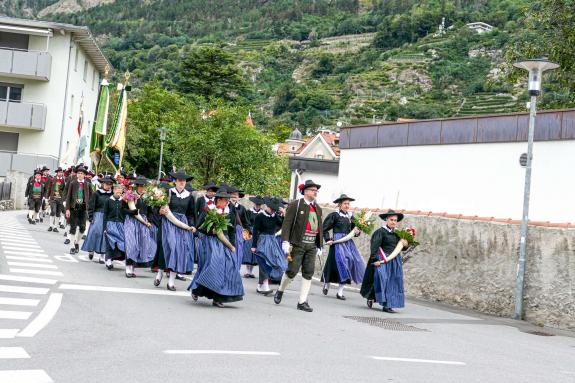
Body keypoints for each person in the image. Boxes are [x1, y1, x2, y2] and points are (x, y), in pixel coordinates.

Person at [274, 180, 323, 312]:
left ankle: (302, 301)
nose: (315, 192)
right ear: (306, 191)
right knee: (292, 271)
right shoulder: (296, 205)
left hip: (312, 245)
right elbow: (287, 224)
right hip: (298, 243)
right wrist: (285, 241)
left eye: (316, 190)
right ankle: (280, 290)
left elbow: (320, 227)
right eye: (313, 190)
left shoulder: (317, 208)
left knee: (309, 272)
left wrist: (320, 245)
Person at [189, 188, 243, 308]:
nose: (227, 202)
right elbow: (199, 226)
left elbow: (232, 230)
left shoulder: (231, 210)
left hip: (225, 242)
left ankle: (219, 297)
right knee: (212, 267)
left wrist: (232, 244)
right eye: (224, 200)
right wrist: (209, 233)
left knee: (228, 268)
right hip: (210, 242)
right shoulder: (209, 210)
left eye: (227, 200)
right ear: (218, 200)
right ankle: (197, 289)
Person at [360, 210, 409, 313]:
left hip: (394, 260)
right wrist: (375, 260)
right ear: (386, 219)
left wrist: (405, 245)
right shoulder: (380, 232)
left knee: (392, 282)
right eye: (391, 220)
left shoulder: (398, 233)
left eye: (395, 220)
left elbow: (401, 248)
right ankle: (371, 297)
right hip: (381, 259)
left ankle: (388, 305)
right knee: (382, 279)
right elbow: (374, 247)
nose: (393, 222)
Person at [321, 194, 365, 300]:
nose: (347, 205)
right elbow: (324, 228)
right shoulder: (334, 215)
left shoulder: (351, 216)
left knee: (349, 262)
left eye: (348, 203)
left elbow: (356, 230)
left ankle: (340, 292)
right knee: (333, 265)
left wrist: (357, 232)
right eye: (345, 203)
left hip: (348, 243)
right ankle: (326, 284)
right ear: (340, 204)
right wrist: (328, 239)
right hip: (337, 243)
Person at [160, 171, 196, 291]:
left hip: (182, 225)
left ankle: (171, 282)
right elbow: (158, 207)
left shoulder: (190, 196)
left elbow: (191, 214)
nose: (182, 182)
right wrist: (160, 211)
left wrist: (192, 225)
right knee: (171, 246)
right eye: (179, 180)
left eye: (184, 181)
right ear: (175, 181)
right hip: (169, 222)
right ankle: (160, 271)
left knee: (179, 250)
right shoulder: (169, 192)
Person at [124, 176, 157, 278]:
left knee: (141, 244)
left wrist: (150, 221)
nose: (141, 188)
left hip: (144, 222)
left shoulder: (148, 197)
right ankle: (128, 268)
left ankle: (134, 267)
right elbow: (123, 210)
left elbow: (151, 211)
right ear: (136, 186)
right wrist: (132, 212)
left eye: (143, 186)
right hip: (131, 221)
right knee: (131, 244)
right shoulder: (130, 195)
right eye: (140, 186)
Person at [251, 197, 286, 295]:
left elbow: (284, 224)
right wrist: (254, 245)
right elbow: (255, 231)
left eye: (275, 209)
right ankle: (265, 285)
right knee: (264, 261)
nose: (273, 211)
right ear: (267, 206)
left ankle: (260, 285)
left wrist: (284, 214)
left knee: (276, 261)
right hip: (262, 240)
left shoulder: (275, 216)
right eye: (272, 208)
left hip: (272, 241)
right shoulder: (260, 216)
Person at [82, 175, 114, 263]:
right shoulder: (97, 193)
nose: (108, 186)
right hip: (97, 215)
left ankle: (102, 256)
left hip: (107, 217)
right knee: (94, 233)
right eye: (107, 184)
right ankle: (91, 250)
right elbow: (91, 206)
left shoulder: (112, 195)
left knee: (105, 235)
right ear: (103, 184)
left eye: (110, 184)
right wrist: (91, 217)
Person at [102, 183, 130, 273]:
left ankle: (117, 258)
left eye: (120, 189)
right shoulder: (108, 201)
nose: (119, 191)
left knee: (121, 242)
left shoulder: (124, 201)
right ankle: (108, 260)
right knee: (110, 242)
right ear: (113, 190)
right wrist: (104, 227)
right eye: (117, 189)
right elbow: (105, 214)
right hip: (110, 224)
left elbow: (126, 213)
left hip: (120, 225)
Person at [65, 165, 92, 254]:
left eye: (82, 173)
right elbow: (68, 197)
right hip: (74, 207)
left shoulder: (88, 184)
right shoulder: (73, 183)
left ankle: (76, 242)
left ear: (84, 175)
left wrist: (91, 209)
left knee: (82, 228)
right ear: (76, 174)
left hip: (83, 208)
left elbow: (91, 197)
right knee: (73, 227)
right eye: (78, 173)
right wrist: (67, 209)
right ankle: (72, 247)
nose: (80, 175)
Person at [242, 195, 264, 277]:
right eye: (256, 203)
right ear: (254, 203)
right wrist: (248, 232)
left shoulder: (263, 213)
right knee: (248, 251)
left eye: (259, 204)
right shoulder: (248, 212)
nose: (257, 205)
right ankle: (248, 271)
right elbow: (246, 222)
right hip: (250, 232)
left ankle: (251, 272)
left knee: (255, 252)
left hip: (258, 233)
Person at [45, 167, 66, 233]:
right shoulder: (52, 179)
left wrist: (64, 199)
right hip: (53, 198)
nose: (60, 173)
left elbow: (65, 190)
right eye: (59, 172)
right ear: (57, 173)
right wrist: (46, 197)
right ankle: (51, 226)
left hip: (60, 199)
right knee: (53, 211)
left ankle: (55, 227)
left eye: (61, 172)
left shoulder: (63, 180)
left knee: (58, 213)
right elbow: (49, 188)